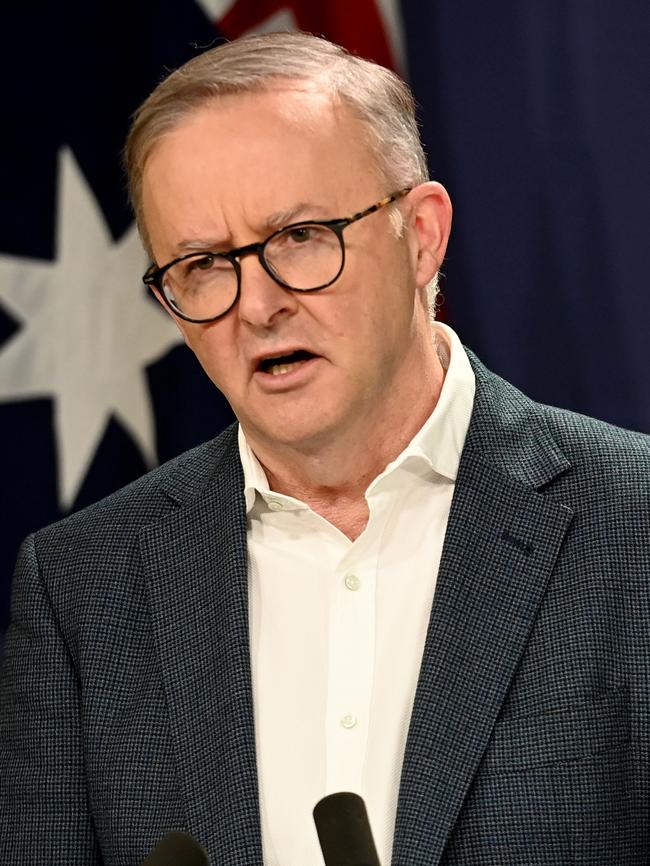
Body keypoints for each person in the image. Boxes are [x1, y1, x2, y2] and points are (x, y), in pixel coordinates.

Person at [1, 31, 649, 866]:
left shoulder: (631, 526)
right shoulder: (81, 588)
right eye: (202, 264)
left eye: (301, 236)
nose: (258, 305)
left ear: (421, 235)